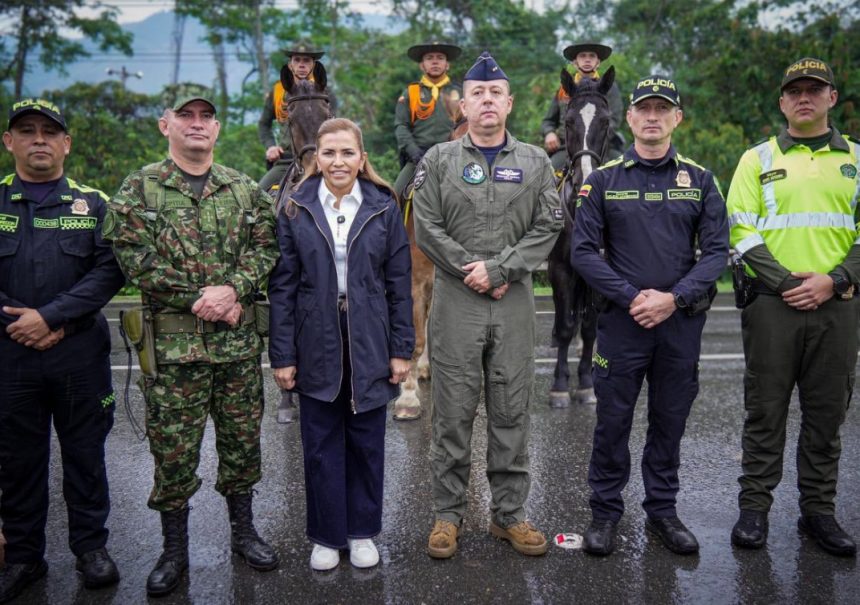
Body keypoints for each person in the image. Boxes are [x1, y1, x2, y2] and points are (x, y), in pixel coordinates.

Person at [104, 94, 280, 596]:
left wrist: (235, 289)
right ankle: (174, 549)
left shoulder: (244, 189)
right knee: (174, 454)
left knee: (242, 445)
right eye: (186, 117)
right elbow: (132, 256)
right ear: (166, 126)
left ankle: (244, 533)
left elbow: (266, 246)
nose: (196, 125)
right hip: (174, 351)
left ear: (218, 129)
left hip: (236, 348)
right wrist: (200, 296)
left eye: (205, 118)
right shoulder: (140, 188)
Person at [413, 51, 563, 559]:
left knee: (511, 410)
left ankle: (509, 516)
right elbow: (426, 227)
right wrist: (470, 269)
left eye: (495, 93)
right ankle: (447, 515)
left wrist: (500, 270)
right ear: (463, 104)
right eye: (477, 93)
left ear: (509, 103)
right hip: (456, 301)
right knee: (452, 413)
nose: (487, 101)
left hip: (514, 299)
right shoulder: (438, 160)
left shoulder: (536, 162)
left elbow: (551, 224)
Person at [571, 76, 729, 556]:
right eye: (646, 109)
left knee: (669, 421)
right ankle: (604, 514)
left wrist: (673, 298)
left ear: (677, 118)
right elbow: (582, 251)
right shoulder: (604, 179)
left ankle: (663, 512)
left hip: (679, 325)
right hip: (622, 325)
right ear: (632, 119)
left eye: (664, 109)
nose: (654, 116)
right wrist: (633, 296)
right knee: (612, 423)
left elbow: (717, 253)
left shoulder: (700, 180)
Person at [726, 58, 859, 557]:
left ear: (831, 98)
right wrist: (787, 283)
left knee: (827, 415)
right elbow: (740, 229)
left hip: (838, 305)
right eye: (794, 91)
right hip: (772, 306)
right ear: (782, 102)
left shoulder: (857, 161)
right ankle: (754, 510)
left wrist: (835, 279)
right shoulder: (755, 159)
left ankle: (818, 514)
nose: (804, 97)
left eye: (814, 89)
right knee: (764, 410)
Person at [268, 118, 414, 571]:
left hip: (370, 337)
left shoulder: (383, 205)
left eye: (347, 153)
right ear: (317, 158)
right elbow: (283, 287)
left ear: (362, 158)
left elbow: (398, 283)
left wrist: (401, 348)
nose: (338, 161)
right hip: (316, 339)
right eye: (329, 153)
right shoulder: (295, 207)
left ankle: (363, 531)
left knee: (367, 442)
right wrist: (283, 355)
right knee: (320, 443)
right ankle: (328, 535)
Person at [0, 98, 126, 601]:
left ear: (66, 144)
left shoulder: (93, 203)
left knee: (85, 455)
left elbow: (110, 270)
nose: (38, 140)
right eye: (26, 131)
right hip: (10, 355)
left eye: (49, 132)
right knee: (17, 461)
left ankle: (90, 548)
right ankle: (25, 557)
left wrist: (50, 318)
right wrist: (21, 323)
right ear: (9, 141)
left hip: (77, 354)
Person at [393, 41, 463, 198]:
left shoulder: (461, 93)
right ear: (422, 65)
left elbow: (468, 126)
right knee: (395, 196)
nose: (435, 61)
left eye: (440, 57)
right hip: (419, 157)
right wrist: (414, 152)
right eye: (429, 58)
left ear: (447, 64)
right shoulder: (411, 93)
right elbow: (401, 126)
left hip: (454, 157)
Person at [541, 42, 624, 172]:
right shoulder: (564, 89)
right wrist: (549, 133)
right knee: (547, 172)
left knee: (625, 170)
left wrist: (594, 136)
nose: (587, 59)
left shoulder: (609, 88)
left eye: (592, 56)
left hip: (603, 147)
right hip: (568, 148)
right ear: (575, 62)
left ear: (598, 62)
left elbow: (615, 120)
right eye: (582, 56)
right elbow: (549, 121)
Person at [258, 41, 329, 193]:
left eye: (306, 61)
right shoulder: (277, 92)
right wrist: (271, 145)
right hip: (288, 159)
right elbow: (264, 124)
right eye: (297, 60)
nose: (301, 65)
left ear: (314, 65)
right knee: (258, 195)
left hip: (323, 157)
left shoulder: (324, 91)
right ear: (290, 64)